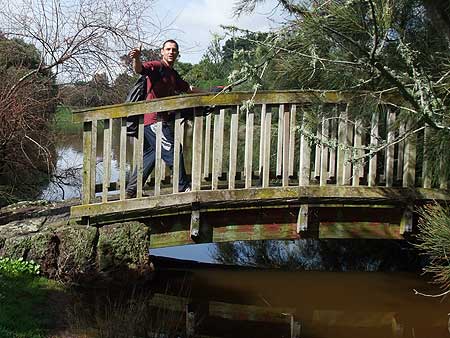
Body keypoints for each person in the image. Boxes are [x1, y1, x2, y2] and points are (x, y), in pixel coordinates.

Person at [126, 39, 203, 198]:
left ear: (177, 53)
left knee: (151, 156)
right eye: (168, 49)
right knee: (174, 150)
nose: (171, 52)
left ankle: (131, 191)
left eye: (174, 50)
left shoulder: (172, 74)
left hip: (158, 121)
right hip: (155, 121)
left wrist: (209, 92)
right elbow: (139, 69)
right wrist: (136, 58)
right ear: (162, 51)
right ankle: (183, 188)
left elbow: (188, 89)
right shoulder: (157, 66)